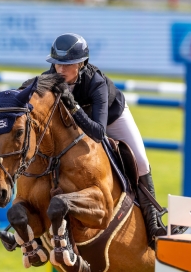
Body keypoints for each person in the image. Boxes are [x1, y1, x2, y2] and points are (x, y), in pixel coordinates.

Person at [43, 33, 174, 249]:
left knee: (140, 160)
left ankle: (153, 223)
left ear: (81, 63)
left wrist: (73, 106)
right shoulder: (51, 76)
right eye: (57, 64)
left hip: (111, 119)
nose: (60, 70)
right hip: (76, 124)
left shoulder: (96, 82)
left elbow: (98, 132)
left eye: (67, 65)